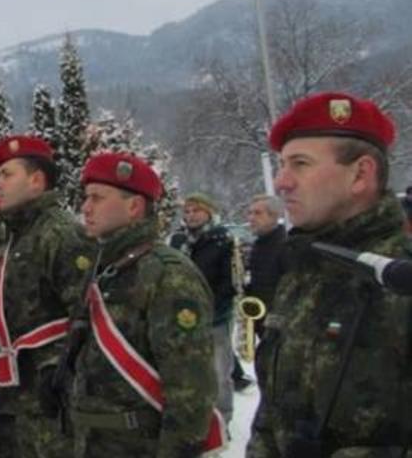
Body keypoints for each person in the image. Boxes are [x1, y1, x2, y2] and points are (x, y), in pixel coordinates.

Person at [248, 92, 412, 456]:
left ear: (360, 174)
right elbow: (271, 412)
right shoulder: (303, 269)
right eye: (282, 165)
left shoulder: (401, 276)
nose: (281, 182)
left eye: (300, 164)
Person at [66, 152, 220, 457]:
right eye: (86, 198)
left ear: (134, 206)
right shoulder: (105, 269)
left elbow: (190, 394)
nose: (85, 207)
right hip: (93, 442)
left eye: (97, 198)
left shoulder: (169, 275)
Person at [0, 135, 89, 457]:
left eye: (7, 174)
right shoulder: (18, 236)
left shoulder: (59, 233)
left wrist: (64, 372)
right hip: (19, 397)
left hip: (52, 403)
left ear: (36, 181)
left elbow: (87, 315)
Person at [169, 192, 242, 410]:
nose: (190, 216)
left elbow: (229, 283)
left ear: (209, 213)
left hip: (215, 316)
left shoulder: (223, 239)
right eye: (187, 211)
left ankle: (222, 417)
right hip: (182, 316)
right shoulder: (178, 240)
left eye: (196, 211)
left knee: (219, 373)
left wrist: (210, 309)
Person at [244, 195, 289, 339]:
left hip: (278, 329)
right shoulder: (258, 245)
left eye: (257, 213)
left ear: (274, 216)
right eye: (250, 213)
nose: (251, 218)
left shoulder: (285, 246)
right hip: (260, 323)